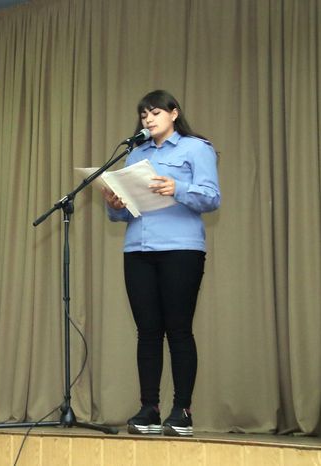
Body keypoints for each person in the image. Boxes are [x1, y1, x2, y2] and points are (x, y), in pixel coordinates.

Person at [102, 90, 220, 436]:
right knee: (148, 332)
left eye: (155, 112)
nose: (148, 119)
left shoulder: (196, 148)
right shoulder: (135, 153)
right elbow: (122, 213)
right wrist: (115, 205)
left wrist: (177, 187)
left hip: (181, 249)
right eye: (144, 115)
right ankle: (149, 408)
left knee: (178, 329)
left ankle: (182, 410)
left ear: (174, 113)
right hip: (137, 249)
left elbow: (212, 197)